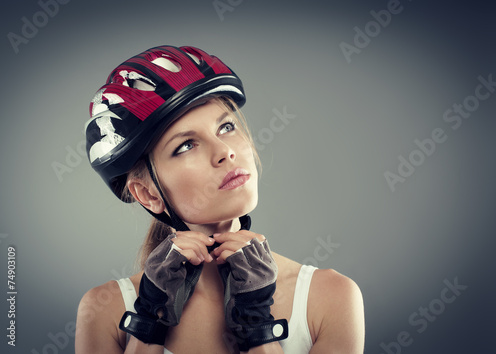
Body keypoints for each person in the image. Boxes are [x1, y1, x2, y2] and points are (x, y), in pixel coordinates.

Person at [75, 45, 365, 353]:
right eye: (186, 145)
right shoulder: (103, 310)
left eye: (226, 127)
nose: (224, 152)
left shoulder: (332, 296)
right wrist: (149, 318)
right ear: (148, 194)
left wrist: (258, 320)